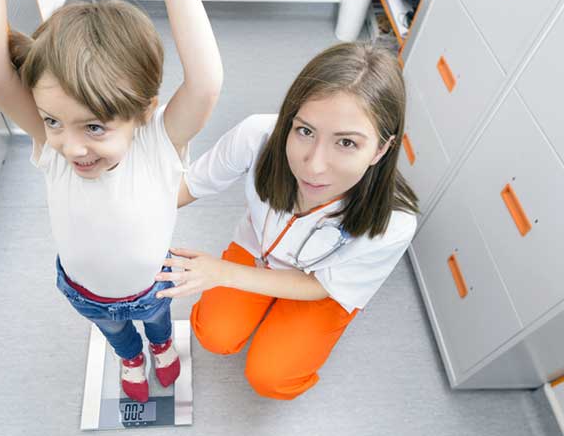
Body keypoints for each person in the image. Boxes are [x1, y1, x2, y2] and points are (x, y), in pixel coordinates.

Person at [0, 0, 222, 403]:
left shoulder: (156, 144)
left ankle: (159, 345)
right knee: (116, 333)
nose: (72, 146)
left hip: (152, 287)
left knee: (157, 322)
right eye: (53, 121)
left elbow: (205, 82)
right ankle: (131, 357)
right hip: (85, 291)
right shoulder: (52, 146)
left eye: (95, 127)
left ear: (144, 111)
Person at [159, 42, 419, 400]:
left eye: (346, 143)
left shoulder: (396, 222)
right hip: (256, 252)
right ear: (289, 120)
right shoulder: (258, 136)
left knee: (271, 378)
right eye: (305, 131)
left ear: (380, 149)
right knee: (213, 335)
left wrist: (222, 272)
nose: (313, 165)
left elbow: (322, 286)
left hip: (318, 286)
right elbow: (189, 185)